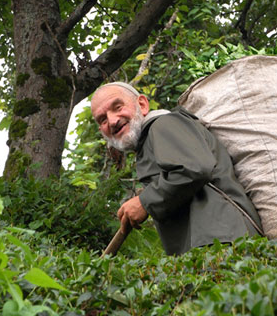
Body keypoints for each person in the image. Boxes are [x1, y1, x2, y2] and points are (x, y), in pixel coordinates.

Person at [90, 82, 262, 255]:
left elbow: (195, 167)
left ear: (142, 104)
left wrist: (144, 202)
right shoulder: (147, 143)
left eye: (118, 107)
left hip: (223, 242)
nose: (112, 121)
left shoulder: (163, 124)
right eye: (102, 119)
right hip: (212, 243)